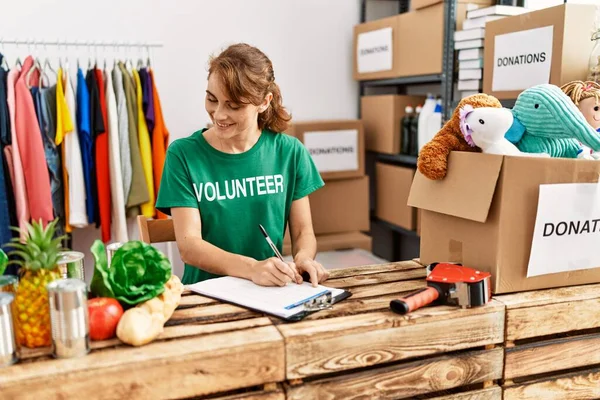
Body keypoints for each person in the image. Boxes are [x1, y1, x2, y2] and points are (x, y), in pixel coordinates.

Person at [155, 43, 329, 288]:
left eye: (234, 106)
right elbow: (189, 246)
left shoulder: (290, 153)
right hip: (205, 296)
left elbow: (303, 233)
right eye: (212, 99)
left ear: (264, 102)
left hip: (270, 293)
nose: (218, 114)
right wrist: (252, 268)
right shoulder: (183, 155)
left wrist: (303, 258)